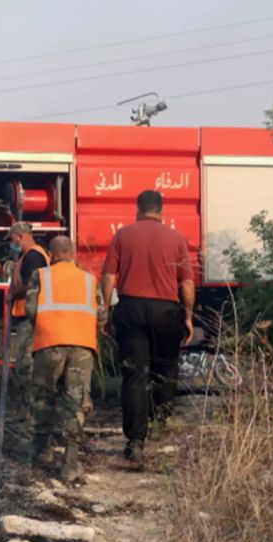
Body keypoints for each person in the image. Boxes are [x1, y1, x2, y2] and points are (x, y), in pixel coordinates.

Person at [101, 190, 195, 465]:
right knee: (166, 368)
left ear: (138, 209)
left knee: (134, 375)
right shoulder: (177, 239)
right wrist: (187, 316)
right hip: (166, 310)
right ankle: (160, 423)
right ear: (161, 210)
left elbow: (108, 277)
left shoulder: (122, 235)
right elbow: (187, 284)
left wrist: (106, 312)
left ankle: (135, 441)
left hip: (130, 309)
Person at [25, 236, 106, 481]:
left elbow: (31, 310)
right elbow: (101, 315)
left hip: (49, 343)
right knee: (76, 402)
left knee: (44, 398)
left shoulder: (41, 275)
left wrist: (43, 327)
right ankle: (70, 463)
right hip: (82, 346)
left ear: (51, 254)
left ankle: (41, 452)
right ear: (71, 253)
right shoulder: (89, 279)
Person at [7, 222, 51, 387]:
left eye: (13, 239)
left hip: (31, 316)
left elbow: (32, 286)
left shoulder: (33, 257)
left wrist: (12, 295)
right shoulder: (34, 254)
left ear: (20, 237)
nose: (12, 244)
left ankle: (29, 400)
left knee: (26, 362)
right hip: (32, 314)